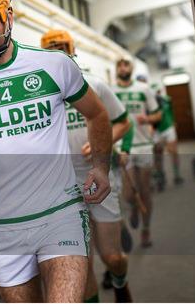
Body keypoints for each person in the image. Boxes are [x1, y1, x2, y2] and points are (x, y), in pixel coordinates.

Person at [0, 0, 113, 302]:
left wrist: (101, 168)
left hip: (60, 214)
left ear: (7, 17)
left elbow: (98, 115)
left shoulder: (55, 65)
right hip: (1, 227)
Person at [41, 29, 134, 303]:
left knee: (112, 256)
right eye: (51, 49)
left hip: (99, 178)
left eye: (62, 47)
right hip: (64, 188)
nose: (58, 53)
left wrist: (100, 142)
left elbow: (123, 122)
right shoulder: (40, 94)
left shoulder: (94, 83)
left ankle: (120, 279)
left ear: (72, 50)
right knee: (83, 264)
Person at [113, 58, 161, 248]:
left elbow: (158, 114)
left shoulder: (143, 89)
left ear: (131, 69)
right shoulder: (112, 91)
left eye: (126, 65)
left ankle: (146, 229)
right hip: (123, 147)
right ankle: (133, 207)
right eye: (120, 65)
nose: (123, 68)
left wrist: (148, 118)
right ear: (116, 69)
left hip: (143, 146)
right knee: (128, 194)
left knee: (145, 190)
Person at [151, 83, 183, 190]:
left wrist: (173, 121)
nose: (158, 94)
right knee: (158, 155)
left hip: (168, 128)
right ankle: (160, 178)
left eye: (158, 92)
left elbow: (171, 111)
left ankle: (177, 175)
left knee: (173, 152)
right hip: (156, 131)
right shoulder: (149, 103)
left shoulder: (167, 100)